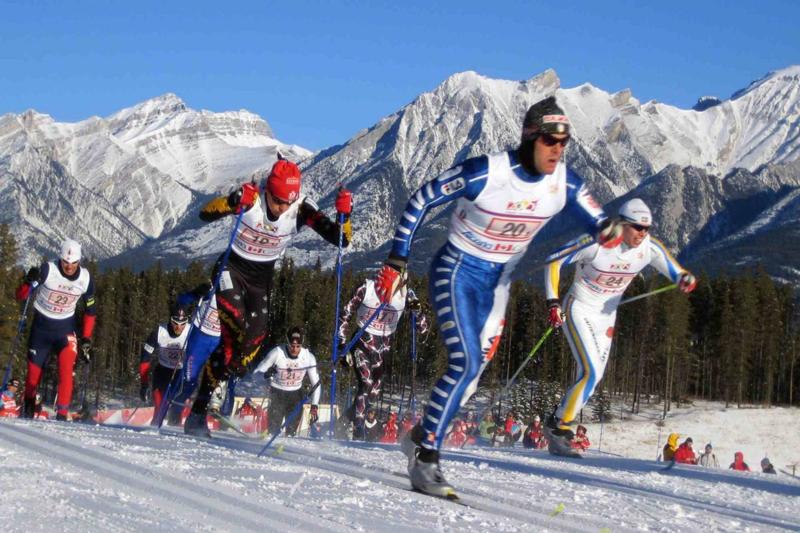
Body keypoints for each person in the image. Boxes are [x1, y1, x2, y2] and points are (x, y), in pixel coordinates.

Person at [380, 96, 623, 497]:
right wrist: (397, 259)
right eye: (549, 141)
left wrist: (608, 231)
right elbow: (422, 198)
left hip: (499, 283)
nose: (557, 150)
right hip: (457, 270)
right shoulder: (487, 172)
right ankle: (426, 461)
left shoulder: (565, 182)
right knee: (466, 362)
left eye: (564, 143)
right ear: (530, 137)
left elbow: (599, 220)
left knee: (472, 376)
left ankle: (421, 434)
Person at [185, 157, 352, 436]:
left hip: (260, 280)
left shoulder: (300, 210)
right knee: (234, 332)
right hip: (231, 269)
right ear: (267, 191)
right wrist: (232, 201)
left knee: (252, 343)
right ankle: (199, 410)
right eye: (277, 201)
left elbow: (341, 239)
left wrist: (345, 216)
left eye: (288, 202)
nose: (282, 207)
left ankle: (224, 375)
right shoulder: (251, 200)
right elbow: (204, 214)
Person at [543, 198, 697, 456]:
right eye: (637, 227)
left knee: (593, 377)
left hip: (606, 316)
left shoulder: (649, 247)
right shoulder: (597, 243)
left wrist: (684, 279)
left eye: (647, 228)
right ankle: (560, 427)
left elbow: (676, 271)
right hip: (578, 306)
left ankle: (556, 424)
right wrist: (552, 302)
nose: (642, 233)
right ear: (622, 224)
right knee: (590, 372)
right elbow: (553, 260)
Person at [16, 239, 96, 421]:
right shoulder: (48, 270)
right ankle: (28, 411)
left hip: (65, 329)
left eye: (73, 263)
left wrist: (86, 338)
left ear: (79, 262)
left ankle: (61, 416)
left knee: (66, 370)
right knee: (33, 377)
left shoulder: (85, 278)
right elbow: (20, 296)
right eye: (65, 263)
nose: (68, 267)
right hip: (41, 329)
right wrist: (28, 282)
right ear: (60, 259)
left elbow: (91, 311)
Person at [338, 279, 428, 440]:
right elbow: (345, 314)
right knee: (365, 384)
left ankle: (346, 419)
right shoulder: (368, 288)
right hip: (362, 343)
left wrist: (417, 310)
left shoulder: (406, 293)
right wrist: (342, 345)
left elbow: (423, 328)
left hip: (382, 350)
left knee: (373, 392)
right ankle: (358, 428)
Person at [168, 282, 221, 424]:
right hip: (199, 339)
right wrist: (196, 293)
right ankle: (174, 415)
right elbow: (182, 300)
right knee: (189, 383)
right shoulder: (212, 288)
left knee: (218, 381)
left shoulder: (237, 295)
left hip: (219, 341)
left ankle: (210, 418)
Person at [254, 327, 320, 437]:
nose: (294, 349)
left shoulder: (308, 357)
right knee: (272, 431)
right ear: (287, 343)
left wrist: (314, 405)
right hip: (277, 394)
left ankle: (286, 448)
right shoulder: (277, 353)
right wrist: (265, 374)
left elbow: (316, 384)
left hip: (296, 396)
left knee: (291, 433)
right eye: (292, 346)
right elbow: (256, 374)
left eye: (298, 346)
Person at [138, 304, 191, 425]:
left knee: (176, 406)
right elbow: (145, 358)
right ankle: (154, 429)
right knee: (160, 404)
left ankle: (175, 430)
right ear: (170, 319)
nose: (179, 327)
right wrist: (144, 384)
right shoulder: (160, 331)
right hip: (162, 371)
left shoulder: (191, 331)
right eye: (175, 323)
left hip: (180, 373)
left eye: (183, 323)